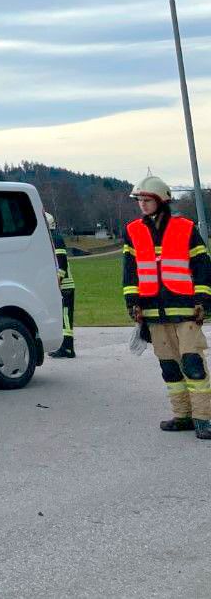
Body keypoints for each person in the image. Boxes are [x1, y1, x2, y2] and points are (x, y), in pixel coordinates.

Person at [123, 175, 211, 438]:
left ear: (161, 200)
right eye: (139, 200)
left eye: (147, 199)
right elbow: (130, 271)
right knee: (169, 367)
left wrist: (202, 300)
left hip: (185, 309)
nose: (142, 204)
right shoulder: (133, 231)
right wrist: (133, 303)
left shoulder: (185, 227)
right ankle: (183, 416)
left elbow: (202, 267)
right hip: (153, 310)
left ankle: (204, 419)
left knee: (193, 363)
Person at [47, 213, 77, 359]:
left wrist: (57, 283)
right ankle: (64, 347)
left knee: (65, 317)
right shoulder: (52, 238)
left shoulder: (56, 239)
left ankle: (68, 348)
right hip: (63, 286)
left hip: (65, 286)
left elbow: (62, 263)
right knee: (63, 316)